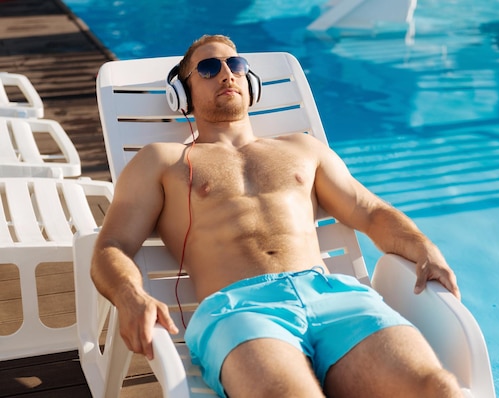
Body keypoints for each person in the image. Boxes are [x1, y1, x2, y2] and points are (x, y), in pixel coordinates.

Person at [91, 34, 463, 398]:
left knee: (438, 389)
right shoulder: (161, 161)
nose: (226, 74)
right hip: (240, 310)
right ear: (182, 94)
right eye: (208, 68)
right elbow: (112, 245)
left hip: (336, 298)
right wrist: (129, 294)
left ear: (250, 81)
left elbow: (370, 211)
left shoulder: (302, 148)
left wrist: (423, 247)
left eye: (235, 65)